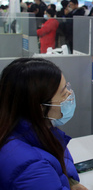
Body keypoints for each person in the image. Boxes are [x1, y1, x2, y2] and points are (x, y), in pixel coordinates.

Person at [0, 58, 87, 189]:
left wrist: (69, 181)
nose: (69, 94)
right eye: (63, 93)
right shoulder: (32, 168)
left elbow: (56, 153)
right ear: (40, 107)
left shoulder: (30, 129)